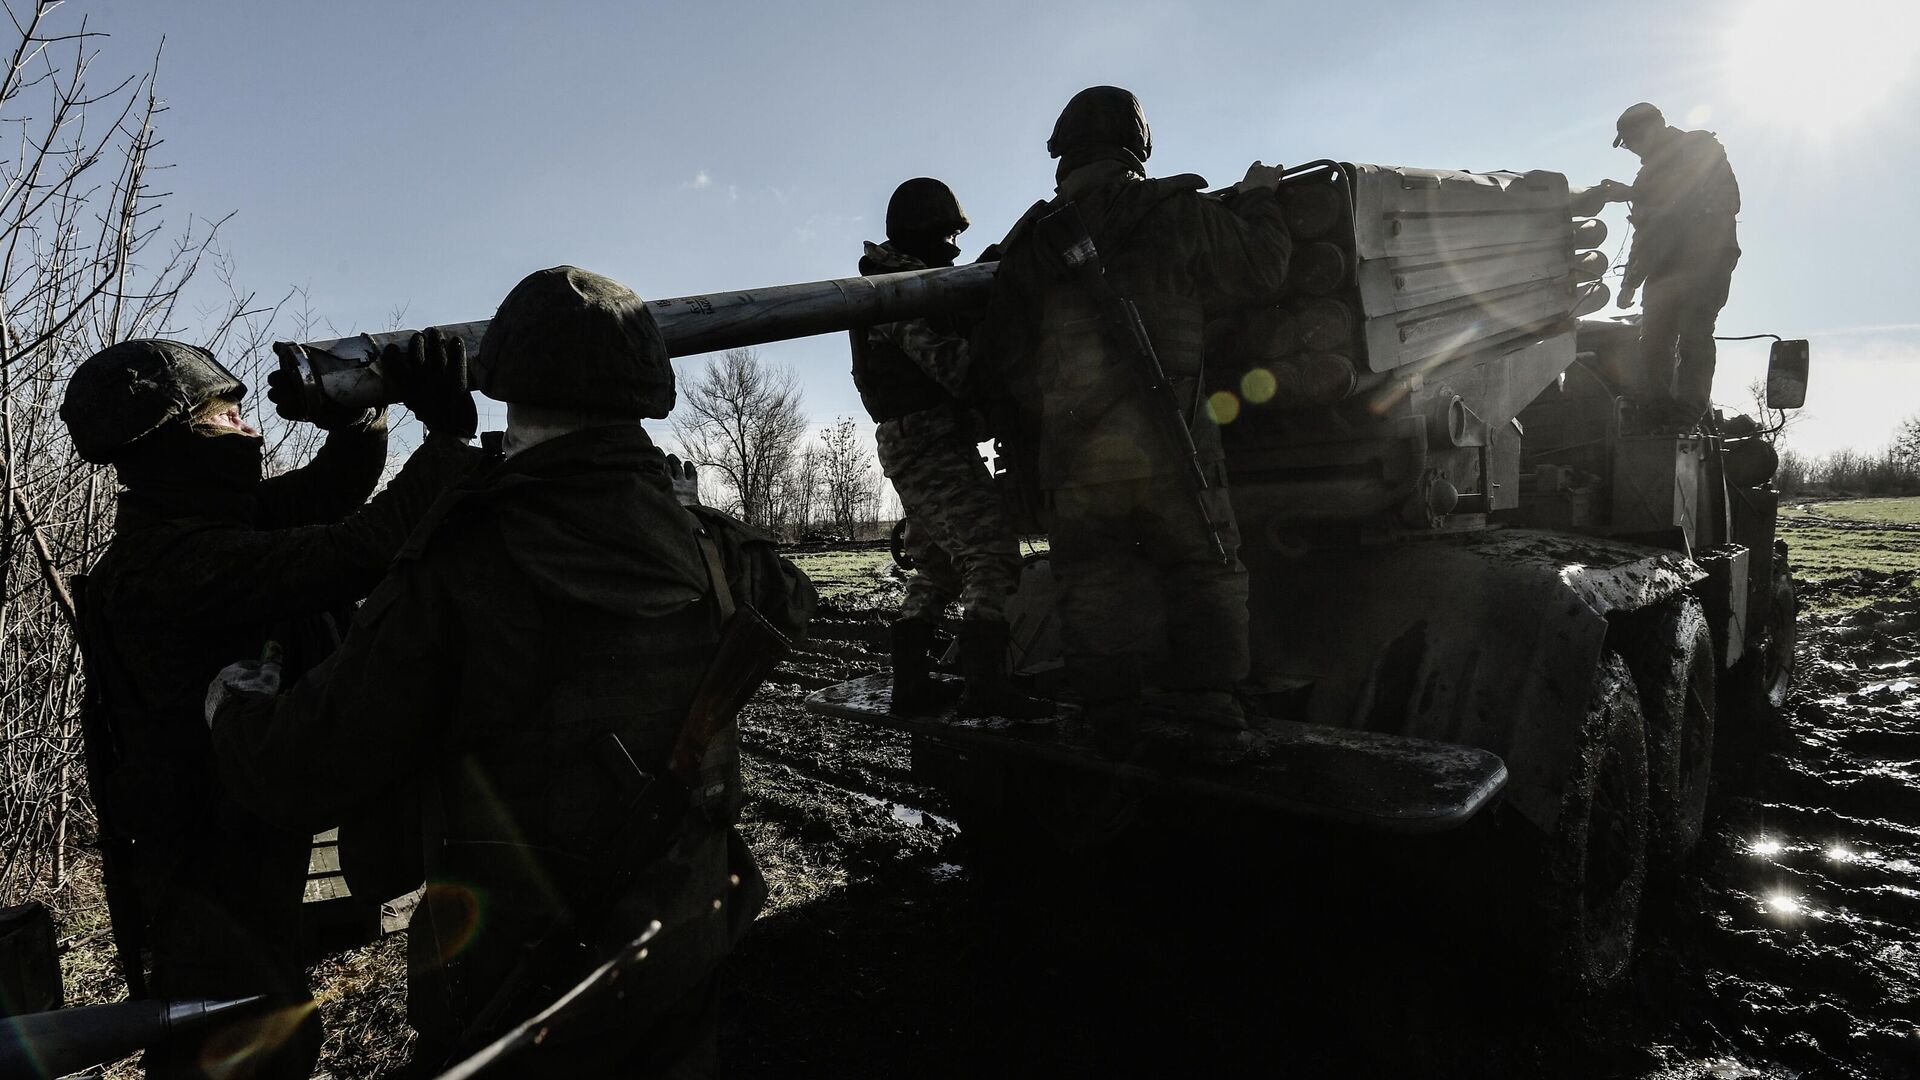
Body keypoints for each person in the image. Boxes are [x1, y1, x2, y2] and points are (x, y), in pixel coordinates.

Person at [206, 266, 814, 1076]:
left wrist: (231, 709)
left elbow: (301, 765)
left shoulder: (466, 563)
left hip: (520, 995)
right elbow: (789, 599)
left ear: (499, 380)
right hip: (679, 959)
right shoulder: (721, 551)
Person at [62, 332, 481, 1079]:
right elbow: (360, 546)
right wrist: (448, 434)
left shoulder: (189, 523)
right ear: (169, 442)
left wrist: (359, 412)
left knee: (260, 1026)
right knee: (245, 1046)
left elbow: (325, 496)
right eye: (224, 416)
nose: (250, 425)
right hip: (200, 872)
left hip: (229, 847)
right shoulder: (173, 565)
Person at [978, 85, 1291, 762]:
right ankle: (1213, 722)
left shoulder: (1030, 244)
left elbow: (1003, 362)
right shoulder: (1173, 210)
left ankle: (1111, 724)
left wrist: (1053, 431)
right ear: (1136, 145)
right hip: (1172, 447)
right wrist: (1263, 197)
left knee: (1093, 580)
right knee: (1202, 564)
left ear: (1064, 153)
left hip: (1076, 461)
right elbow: (1263, 270)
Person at [853, 177, 1049, 718]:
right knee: (990, 555)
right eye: (945, 237)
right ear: (919, 234)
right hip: (927, 441)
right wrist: (991, 330)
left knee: (938, 566)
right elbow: (955, 370)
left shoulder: (898, 284)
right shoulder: (894, 296)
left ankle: (912, 684)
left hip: (922, 440)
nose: (954, 250)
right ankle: (987, 688)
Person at [1604, 101, 1742, 433]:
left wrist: (1637, 193)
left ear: (1655, 126)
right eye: (1627, 144)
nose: (1633, 149)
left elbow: (1700, 197)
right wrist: (1629, 283)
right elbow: (1646, 234)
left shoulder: (1698, 146)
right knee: (1652, 343)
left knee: (1695, 334)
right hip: (1663, 269)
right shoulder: (1646, 175)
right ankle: (1656, 414)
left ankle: (1686, 414)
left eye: (1633, 139)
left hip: (1705, 259)